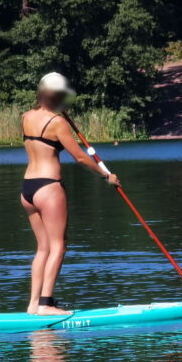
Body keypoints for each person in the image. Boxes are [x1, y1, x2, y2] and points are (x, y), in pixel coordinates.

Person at [21, 72, 120, 315]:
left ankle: (33, 304)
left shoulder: (25, 117)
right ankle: (46, 304)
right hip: (49, 187)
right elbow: (79, 157)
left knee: (42, 247)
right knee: (58, 246)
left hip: (27, 189)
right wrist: (106, 175)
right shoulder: (57, 122)